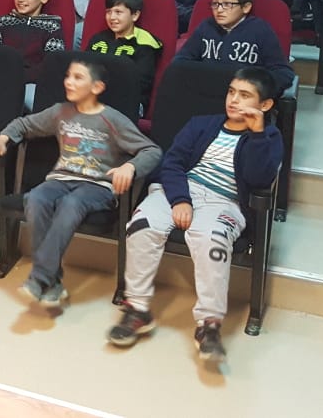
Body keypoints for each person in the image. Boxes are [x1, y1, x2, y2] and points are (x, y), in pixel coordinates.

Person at [108, 67, 283, 364]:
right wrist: (181, 200)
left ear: (265, 104)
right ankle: (137, 308)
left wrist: (256, 135)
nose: (234, 100)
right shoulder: (202, 124)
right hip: (179, 189)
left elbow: (259, 179)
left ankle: (209, 325)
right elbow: (173, 163)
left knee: (212, 241)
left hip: (224, 201)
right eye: (231, 92)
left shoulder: (269, 138)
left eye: (245, 95)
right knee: (141, 225)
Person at [0, 57, 162, 310]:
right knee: (34, 199)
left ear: (97, 87)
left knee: (71, 204)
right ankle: (52, 282)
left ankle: (40, 278)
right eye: (68, 76)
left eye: (78, 77)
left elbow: (152, 150)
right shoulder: (60, 112)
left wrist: (130, 166)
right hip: (61, 179)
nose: (69, 82)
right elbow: (24, 124)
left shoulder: (112, 119)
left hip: (97, 186)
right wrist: (3, 138)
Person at [175, 0, 295, 95]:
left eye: (227, 4)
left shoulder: (261, 30)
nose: (219, 10)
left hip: (244, 97)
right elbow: (180, 62)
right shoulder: (206, 26)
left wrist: (256, 86)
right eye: (215, 4)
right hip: (207, 93)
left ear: (246, 7)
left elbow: (283, 72)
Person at [86, 0, 162, 112]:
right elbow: (84, 68)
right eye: (108, 12)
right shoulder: (98, 39)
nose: (112, 17)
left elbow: (141, 83)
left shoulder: (145, 43)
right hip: (94, 96)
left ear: (135, 15)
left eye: (118, 12)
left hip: (129, 101)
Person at [0, 0, 66, 84]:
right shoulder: (3, 22)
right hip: (1, 80)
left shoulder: (52, 27)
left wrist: (19, 78)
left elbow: (51, 64)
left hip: (33, 83)